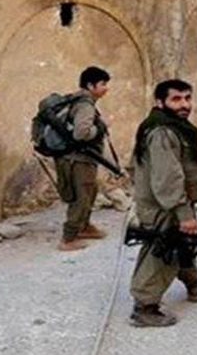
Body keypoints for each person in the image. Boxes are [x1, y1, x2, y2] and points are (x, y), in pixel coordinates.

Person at [128, 79, 197, 327]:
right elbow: (168, 177)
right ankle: (145, 307)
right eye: (176, 99)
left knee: (184, 244)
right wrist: (182, 211)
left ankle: (194, 282)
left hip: (167, 200)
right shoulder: (162, 131)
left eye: (187, 98)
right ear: (160, 102)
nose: (184, 104)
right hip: (164, 204)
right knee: (163, 251)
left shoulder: (169, 126)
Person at [55, 66, 111, 252]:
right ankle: (68, 238)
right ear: (90, 85)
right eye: (103, 84)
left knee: (90, 192)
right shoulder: (85, 105)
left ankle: (84, 227)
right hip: (79, 160)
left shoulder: (78, 101)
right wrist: (100, 129)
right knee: (82, 198)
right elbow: (81, 133)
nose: (106, 88)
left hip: (75, 158)